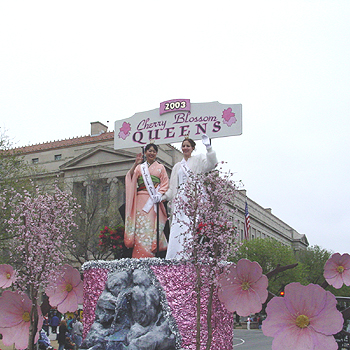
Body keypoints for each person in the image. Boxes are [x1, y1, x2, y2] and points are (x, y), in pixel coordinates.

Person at [163, 134, 218, 259]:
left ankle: (187, 255)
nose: (185, 148)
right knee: (177, 227)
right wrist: (161, 197)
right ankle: (174, 256)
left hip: (192, 198)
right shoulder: (177, 166)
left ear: (192, 148)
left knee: (189, 226)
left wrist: (209, 148)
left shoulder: (198, 159)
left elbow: (212, 164)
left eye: (188, 146)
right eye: (183, 146)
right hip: (179, 199)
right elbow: (172, 188)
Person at [124, 143, 169, 258]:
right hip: (141, 199)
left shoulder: (161, 167)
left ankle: (151, 255)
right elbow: (130, 177)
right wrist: (135, 164)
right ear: (145, 152)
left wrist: (159, 194)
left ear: (156, 153)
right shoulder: (140, 168)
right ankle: (139, 255)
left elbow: (165, 183)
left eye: (154, 151)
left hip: (153, 200)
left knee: (151, 226)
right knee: (140, 227)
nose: (151, 153)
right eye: (149, 151)